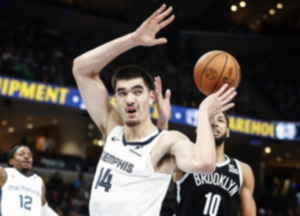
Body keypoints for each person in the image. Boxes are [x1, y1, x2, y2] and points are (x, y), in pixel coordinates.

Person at [72, 4, 237, 216]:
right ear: (116, 100)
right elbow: (81, 69)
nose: (129, 99)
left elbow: (205, 163)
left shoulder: (167, 142)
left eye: (137, 91)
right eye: (122, 93)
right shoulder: (112, 127)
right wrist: (134, 39)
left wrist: (204, 113)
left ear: (151, 97)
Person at [154, 77, 256, 215]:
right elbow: (160, 156)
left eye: (220, 120)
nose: (214, 123)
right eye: (209, 120)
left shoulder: (243, 171)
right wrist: (163, 120)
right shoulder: (188, 158)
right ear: (199, 129)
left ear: (227, 132)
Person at [0, 145, 58, 216]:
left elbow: (43, 207)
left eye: (30, 155)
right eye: (21, 154)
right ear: (12, 161)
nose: (27, 157)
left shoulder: (39, 181)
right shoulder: (5, 173)